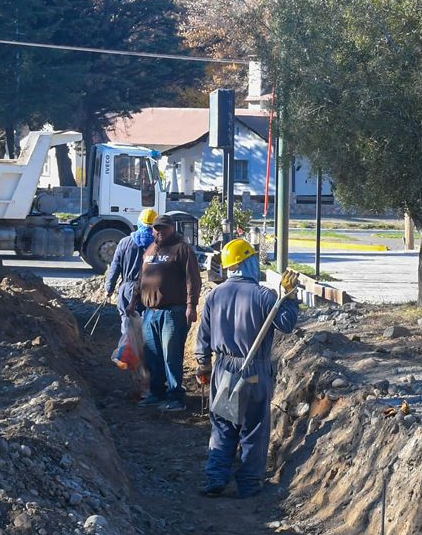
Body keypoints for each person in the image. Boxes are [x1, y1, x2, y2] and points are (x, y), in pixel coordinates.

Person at [195, 238, 300, 498]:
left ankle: (216, 477)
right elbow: (286, 325)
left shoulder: (214, 295)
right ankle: (249, 484)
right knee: (253, 427)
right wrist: (290, 298)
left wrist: (203, 364)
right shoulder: (263, 296)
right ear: (247, 262)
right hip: (253, 369)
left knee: (223, 424)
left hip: (223, 368)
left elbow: (203, 335)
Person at [136, 214, 202, 411]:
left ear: (172, 228)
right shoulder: (150, 250)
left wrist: (191, 306)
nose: (159, 232)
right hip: (150, 312)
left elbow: (193, 279)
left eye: (163, 228)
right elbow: (141, 278)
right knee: (152, 355)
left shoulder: (182, 249)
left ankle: (175, 396)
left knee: (171, 356)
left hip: (173, 312)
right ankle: (156, 392)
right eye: (156, 228)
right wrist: (134, 301)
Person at [104, 208, 157, 365]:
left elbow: (115, 268)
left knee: (127, 323)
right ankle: (146, 357)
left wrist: (109, 288)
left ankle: (127, 356)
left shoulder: (125, 242)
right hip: (149, 290)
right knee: (147, 324)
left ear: (139, 223)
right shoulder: (157, 245)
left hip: (127, 289)